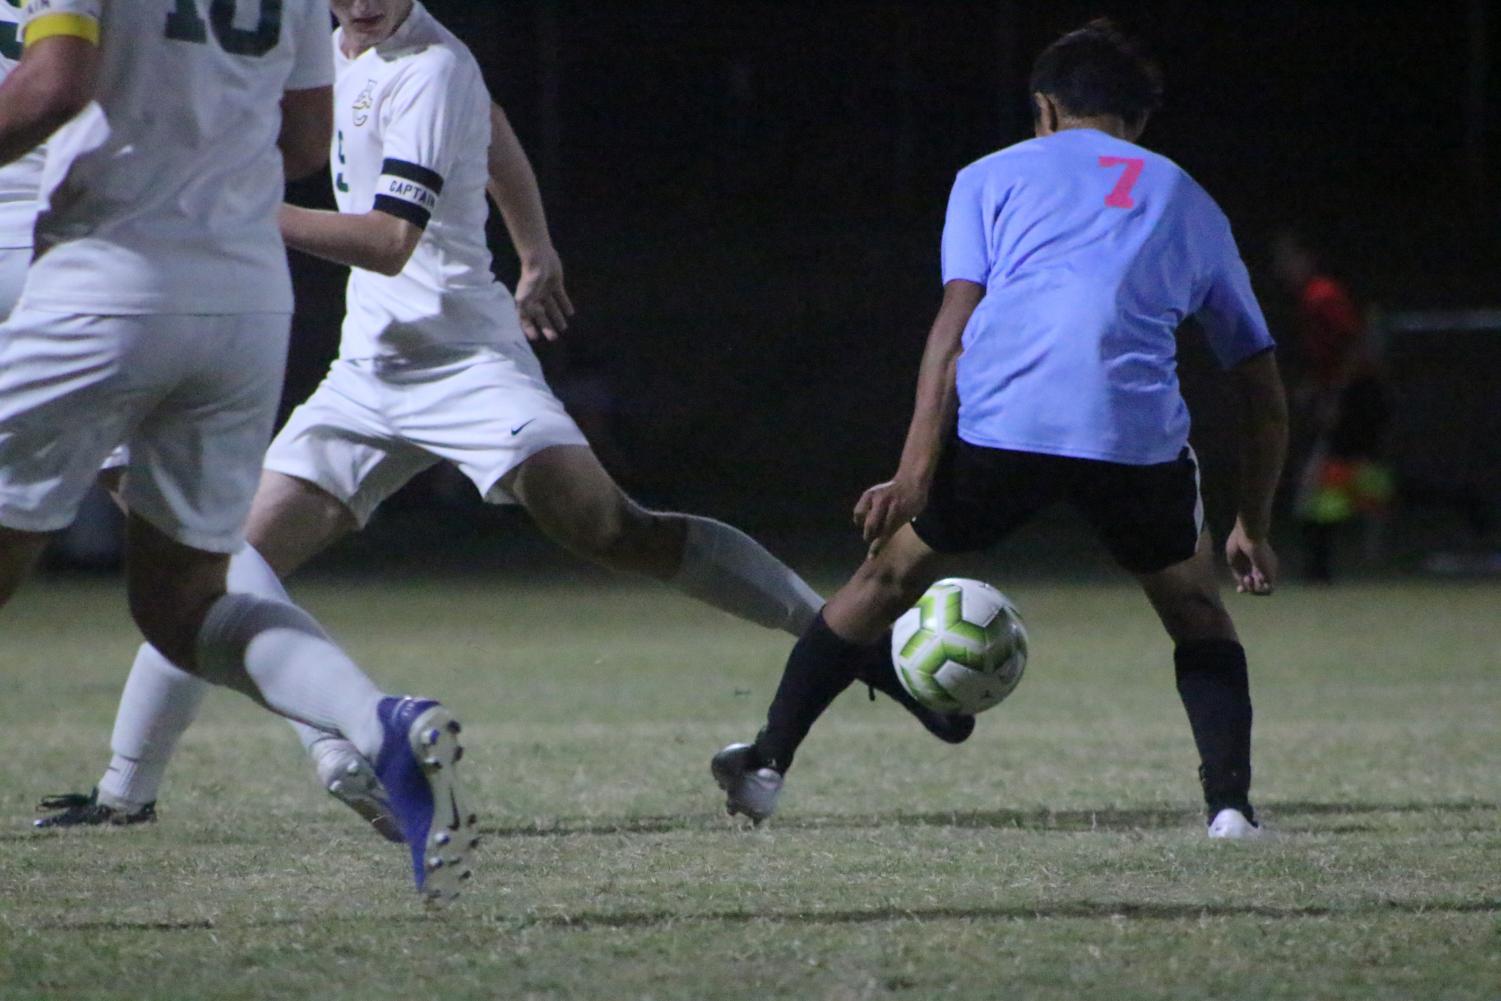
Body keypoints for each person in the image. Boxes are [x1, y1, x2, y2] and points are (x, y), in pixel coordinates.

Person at [36, 0, 954, 839]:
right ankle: (125, 791)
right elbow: (500, 128)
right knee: (222, 567)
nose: (362, 4)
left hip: (465, 363)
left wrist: (244, 208)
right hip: (363, 374)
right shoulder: (319, 42)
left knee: (615, 528)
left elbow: (391, 242)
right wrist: (537, 243)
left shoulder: (433, 64)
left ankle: (837, 635)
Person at [711, 19, 1289, 840]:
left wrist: (913, 472)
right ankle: (1229, 808)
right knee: (1194, 608)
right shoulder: (1186, 197)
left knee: (879, 585)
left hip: (1004, 422)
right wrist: (1252, 526)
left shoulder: (988, 175)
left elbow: (953, 329)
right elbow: (1259, 386)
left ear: (1045, 107)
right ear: (1140, 120)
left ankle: (766, 763)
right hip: (1132, 435)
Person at [0, 0, 476, 902]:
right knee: (185, 602)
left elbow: (53, 83)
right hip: (244, 300)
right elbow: (305, 132)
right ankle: (378, 729)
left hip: (103, 281)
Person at [1270, 230, 1392, 582]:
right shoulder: (1310, 297)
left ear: (1307, 258)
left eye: (1288, 259)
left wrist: (1336, 396)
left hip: (1358, 396)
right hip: (1352, 393)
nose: (1283, 269)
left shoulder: (1322, 295)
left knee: (1324, 480)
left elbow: (1354, 344)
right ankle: (1323, 566)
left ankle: (1320, 569)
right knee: (1348, 477)